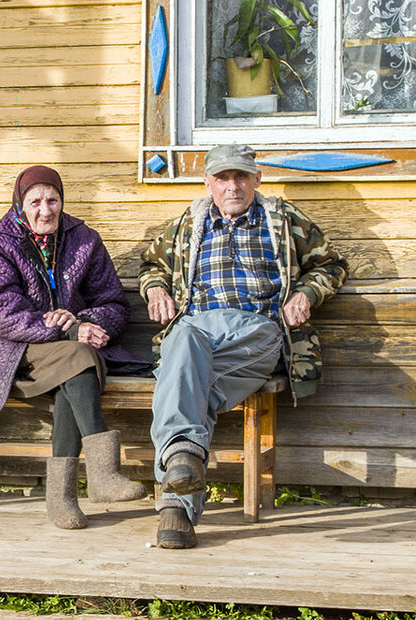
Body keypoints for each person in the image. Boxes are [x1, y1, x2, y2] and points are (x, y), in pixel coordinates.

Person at [140, 144, 348, 549]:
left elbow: (332, 264)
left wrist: (306, 294)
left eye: (240, 177)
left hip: (256, 334)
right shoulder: (187, 224)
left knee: (183, 376)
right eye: (222, 178)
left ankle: (175, 500)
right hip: (197, 333)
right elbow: (151, 266)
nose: (232, 186)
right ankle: (181, 478)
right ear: (208, 184)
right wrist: (155, 290)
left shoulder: (284, 221)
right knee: (184, 343)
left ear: (257, 179)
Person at [0, 165, 150, 529]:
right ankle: (101, 475)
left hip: (66, 354)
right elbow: (2, 314)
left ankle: (61, 499)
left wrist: (92, 323)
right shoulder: (0, 244)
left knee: (75, 366)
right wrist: (69, 329)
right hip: (9, 352)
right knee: (78, 356)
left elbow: (112, 302)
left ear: (62, 201)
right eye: (35, 202)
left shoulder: (84, 239)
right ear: (20, 203)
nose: (45, 210)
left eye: (53, 200)